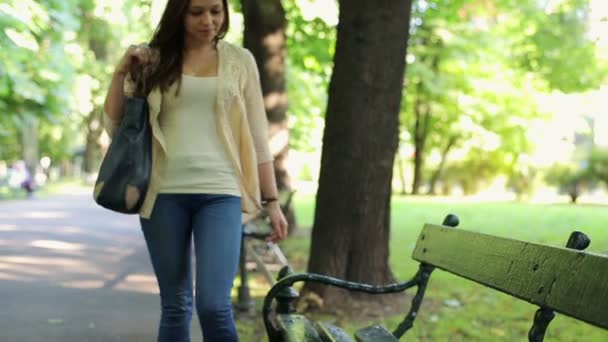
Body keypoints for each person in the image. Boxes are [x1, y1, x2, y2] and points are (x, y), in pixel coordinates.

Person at [102, 0, 288, 341]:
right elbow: (115, 124)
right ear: (179, 14)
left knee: (214, 306)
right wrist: (121, 71)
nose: (208, 20)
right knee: (175, 305)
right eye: (197, 12)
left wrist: (272, 201)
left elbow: (260, 138)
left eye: (215, 11)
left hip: (221, 193)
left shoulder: (240, 61)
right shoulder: (154, 59)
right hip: (163, 195)